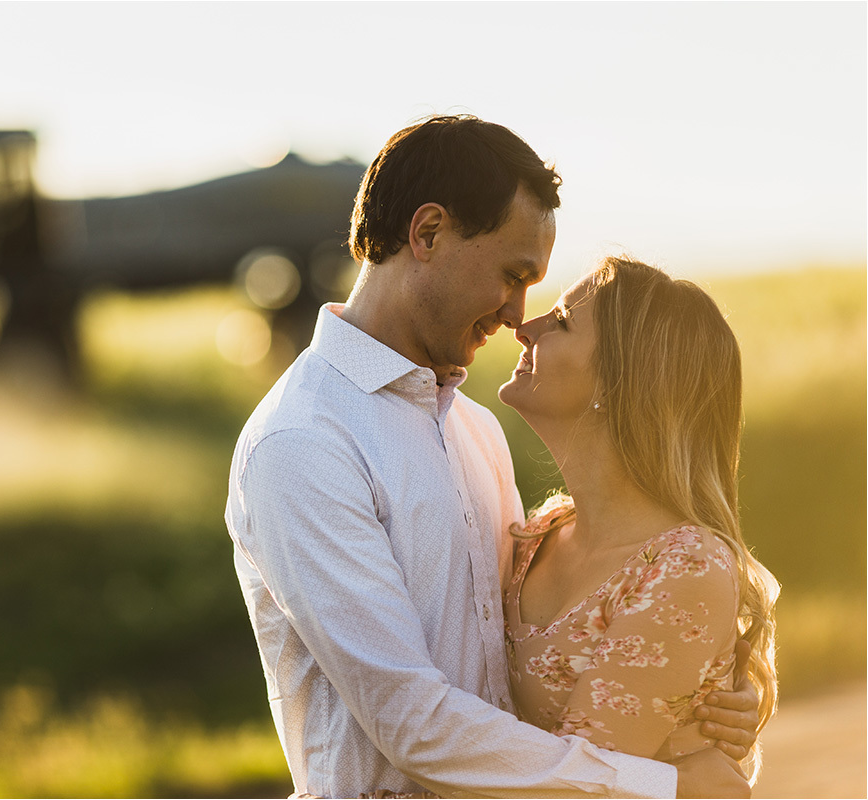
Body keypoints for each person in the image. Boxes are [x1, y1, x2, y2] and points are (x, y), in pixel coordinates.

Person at [224, 115, 758, 798]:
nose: (517, 314)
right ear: (428, 233)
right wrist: (662, 786)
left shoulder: (476, 430)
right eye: (512, 274)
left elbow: (531, 661)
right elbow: (412, 723)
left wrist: (697, 701)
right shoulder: (305, 443)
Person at [497, 258, 778, 779]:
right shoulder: (538, 534)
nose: (523, 326)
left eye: (560, 321)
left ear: (619, 378)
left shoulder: (685, 567)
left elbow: (573, 788)